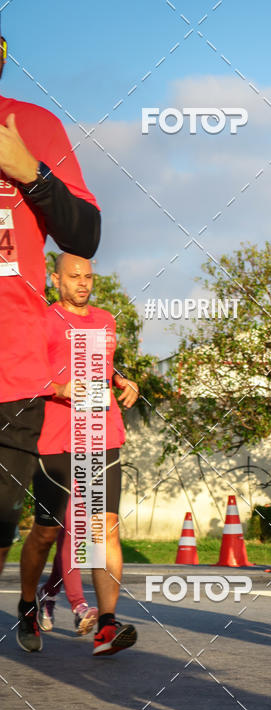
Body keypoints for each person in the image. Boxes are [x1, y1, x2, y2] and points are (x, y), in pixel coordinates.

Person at [0, 30, 101, 647]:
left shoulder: (33, 125)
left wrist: (29, 174)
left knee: (5, 521)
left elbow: (84, 235)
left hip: (12, 369)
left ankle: (54, 604)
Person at [18, 253, 138, 655]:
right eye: (74, 277)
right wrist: (60, 387)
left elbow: (106, 366)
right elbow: (25, 370)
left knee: (104, 528)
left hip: (103, 434)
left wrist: (123, 380)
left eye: (88, 276)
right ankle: (27, 605)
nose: (83, 283)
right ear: (56, 280)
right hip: (56, 439)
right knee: (47, 532)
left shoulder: (106, 320)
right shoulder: (42, 319)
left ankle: (106, 624)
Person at [37, 496, 98, 635]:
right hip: (62, 477)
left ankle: (47, 593)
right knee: (71, 533)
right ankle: (79, 605)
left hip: (87, 476)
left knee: (69, 538)